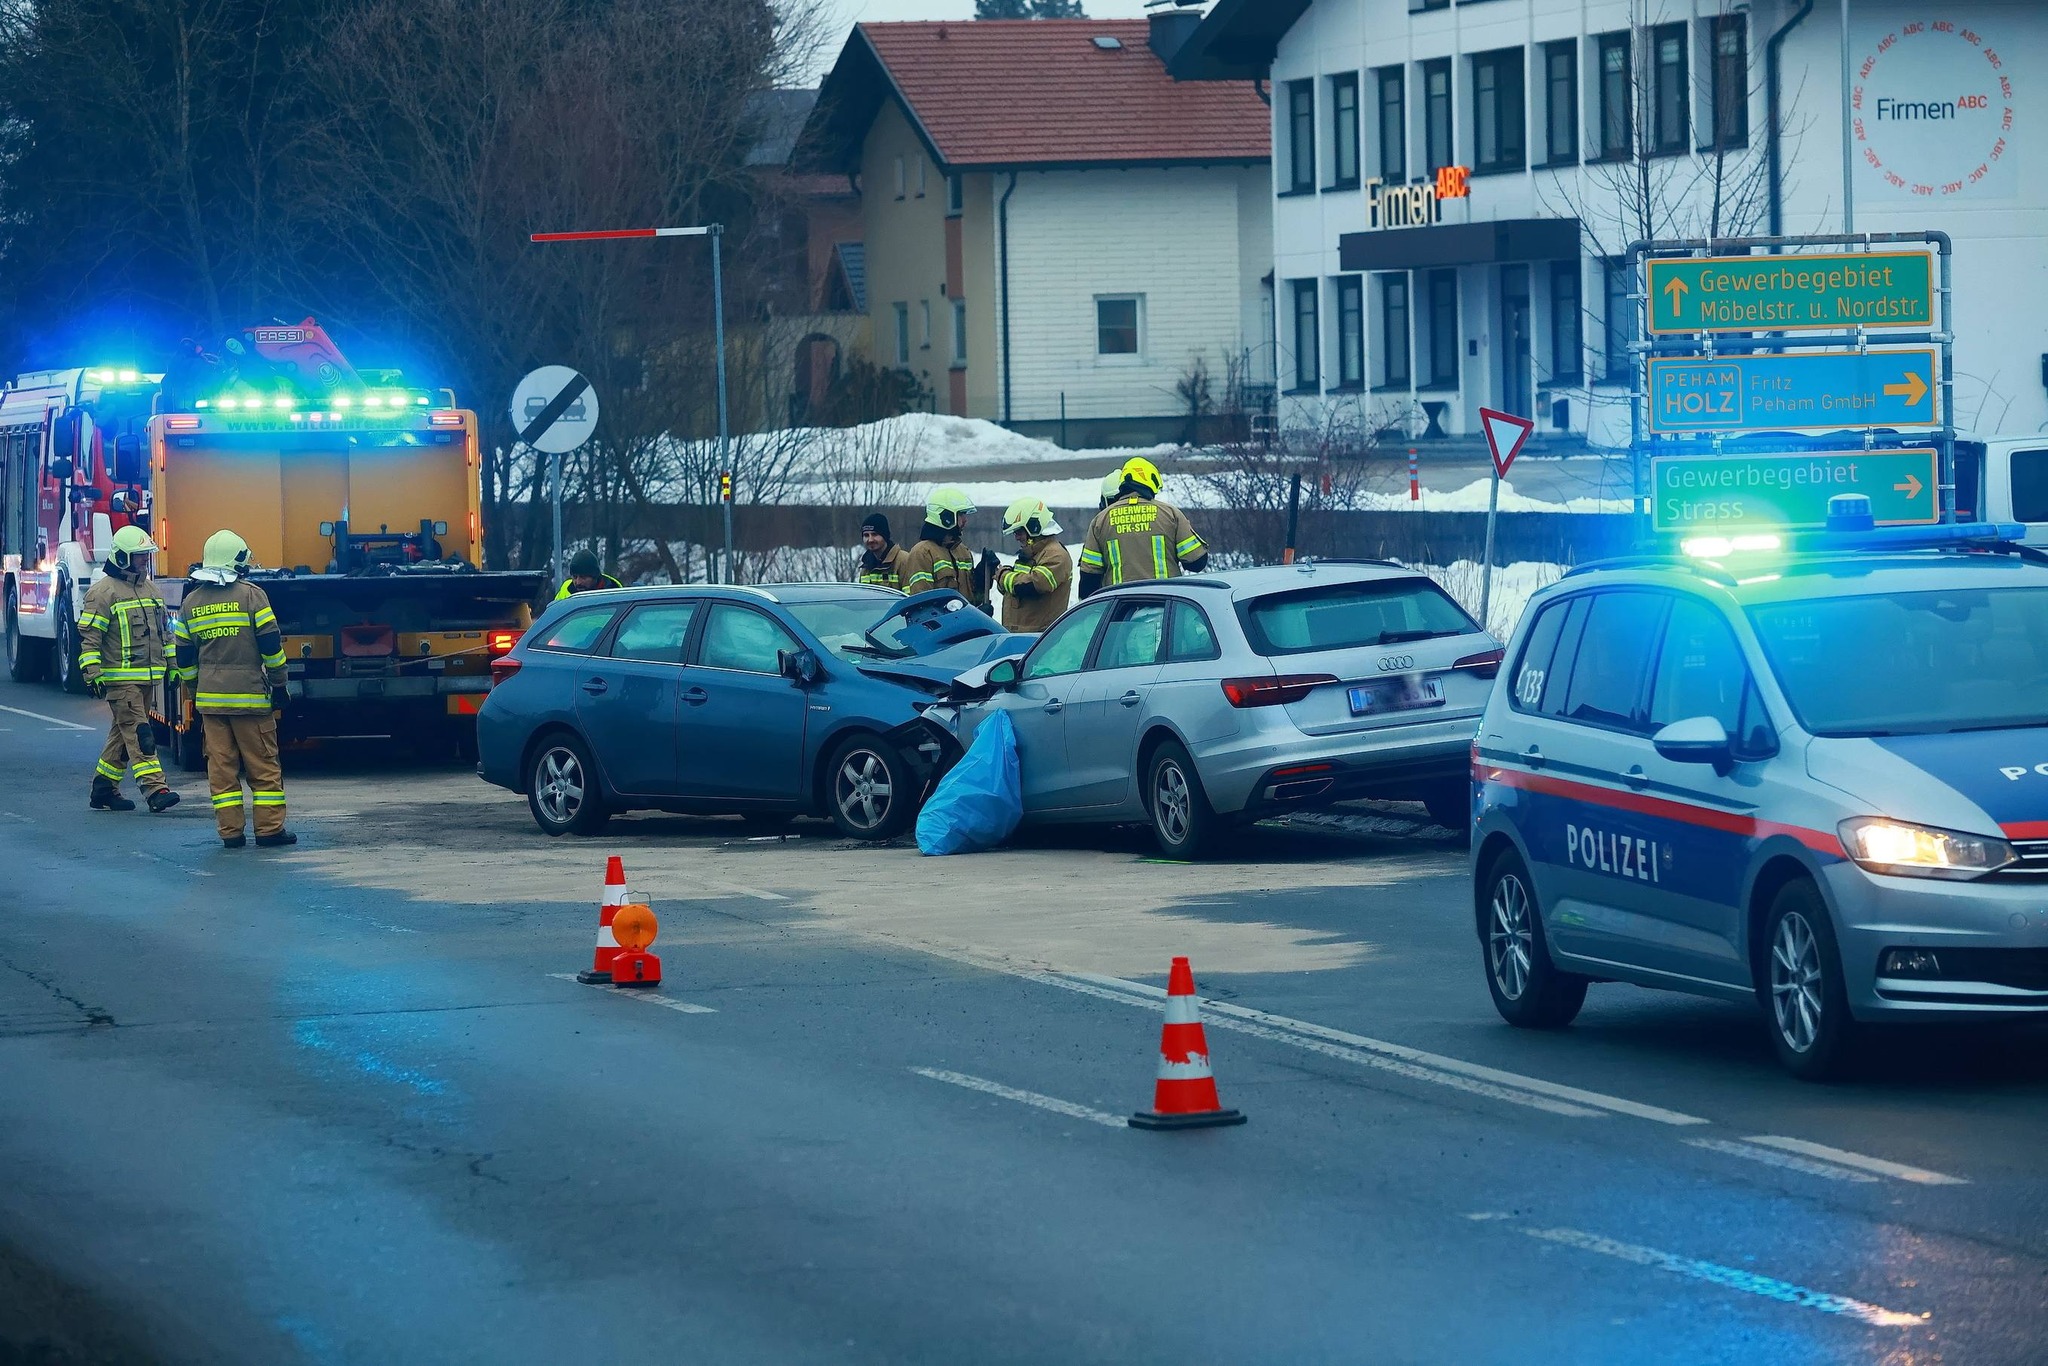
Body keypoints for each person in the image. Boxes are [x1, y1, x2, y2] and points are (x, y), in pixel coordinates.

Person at [171, 530, 295, 849]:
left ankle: (231, 833)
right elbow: (271, 648)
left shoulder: (191, 602)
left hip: (211, 705)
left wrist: (197, 688)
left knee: (222, 770)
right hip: (251, 701)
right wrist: (280, 684)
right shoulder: (252, 596)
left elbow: (183, 657)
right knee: (263, 767)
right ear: (237, 561)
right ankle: (268, 831)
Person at [79, 526, 179, 814]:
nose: (144, 561)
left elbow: (165, 634)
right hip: (120, 681)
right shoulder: (102, 593)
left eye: (146, 555)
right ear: (122, 557)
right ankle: (155, 789)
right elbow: (90, 638)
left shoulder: (151, 589)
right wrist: (93, 672)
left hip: (147, 679)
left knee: (122, 735)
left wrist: (172, 668)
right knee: (139, 733)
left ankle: (103, 789)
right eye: (139, 556)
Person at [1078, 456, 1208, 598]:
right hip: (1166, 603)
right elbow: (1197, 563)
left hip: (1121, 609)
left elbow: (1089, 579)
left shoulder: (1100, 520)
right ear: (1150, 481)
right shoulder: (1170, 514)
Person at [901, 487, 993, 609]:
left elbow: (972, 600)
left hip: (966, 626)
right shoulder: (923, 553)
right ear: (946, 517)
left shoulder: (963, 552)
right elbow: (923, 606)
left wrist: (982, 577)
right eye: (961, 514)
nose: (965, 520)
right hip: (942, 628)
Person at [994, 498, 1072, 633]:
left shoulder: (1056, 555)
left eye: (1019, 532)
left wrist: (1003, 576)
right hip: (1022, 635)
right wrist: (1001, 572)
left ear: (1034, 527)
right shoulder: (1033, 553)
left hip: (1039, 639)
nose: (1016, 537)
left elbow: (1032, 585)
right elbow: (1015, 591)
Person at [856, 512, 908, 590]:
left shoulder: (903, 561)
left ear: (885, 536)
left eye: (875, 534)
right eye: (866, 535)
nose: (870, 540)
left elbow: (910, 598)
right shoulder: (866, 567)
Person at [553, 548, 622, 600]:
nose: (578, 582)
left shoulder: (615, 593)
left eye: (583, 577)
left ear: (595, 576)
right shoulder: (565, 590)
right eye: (574, 577)